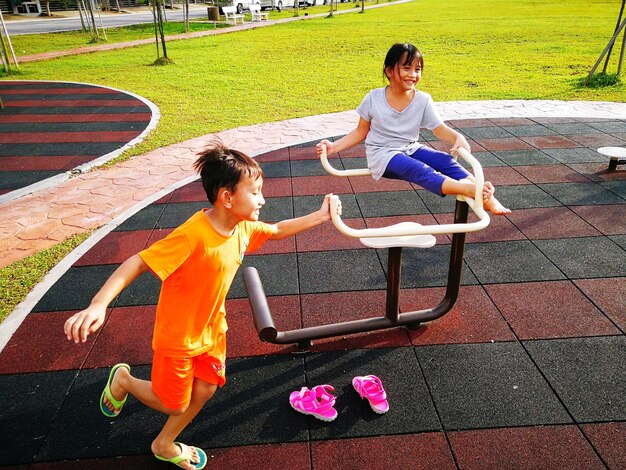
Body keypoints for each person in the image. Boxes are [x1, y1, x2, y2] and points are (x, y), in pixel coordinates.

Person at [64, 141, 341, 470]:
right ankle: (124, 380)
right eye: (255, 192)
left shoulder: (242, 227)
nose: (263, 200)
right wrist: (98, 305)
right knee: (173, 403)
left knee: (206, 388)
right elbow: (137, 262)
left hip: (212, 330)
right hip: (178, 339)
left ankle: (164, 443)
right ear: (227, 197)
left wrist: (321, 216)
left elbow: (278, 230)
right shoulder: (192, 236)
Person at [316, 42, 511, 215]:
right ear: (389, 71)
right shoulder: (374, 98)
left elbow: (439, 129)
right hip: (383, 154)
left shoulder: (422, 99)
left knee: (443, 160)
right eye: (406, 68)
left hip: (410, 147)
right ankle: (469, 189)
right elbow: (360, 131)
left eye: (417, 69)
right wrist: (334, 147)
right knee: (420, 170)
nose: (413, 75)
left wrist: (456, 137)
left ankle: (486, 196)